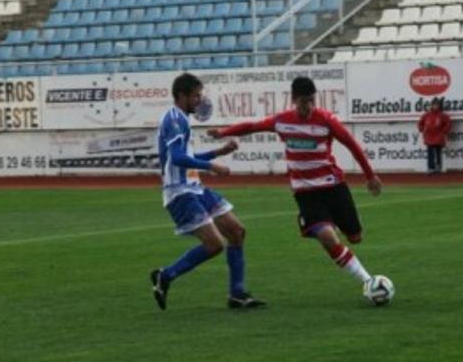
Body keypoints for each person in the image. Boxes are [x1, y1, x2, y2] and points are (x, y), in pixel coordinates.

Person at [208, 76, 383, 292]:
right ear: (293, 99)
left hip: (334, 187)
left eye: (311, 101)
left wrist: (370, 175)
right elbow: (252, 127)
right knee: (327, 237)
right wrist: (223, 132)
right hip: (306, 192)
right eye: (303, 102)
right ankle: (368, 281)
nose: (308, 107)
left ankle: (318, 222)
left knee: (355, 238)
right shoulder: (282, 121)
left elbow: (352, 145)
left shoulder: (327, 120)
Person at [150, 73, 266, 311]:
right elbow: (179, 158)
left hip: (195, 188)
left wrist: (219, 152)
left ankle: (237, 294)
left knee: (236, 231)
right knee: (214, 245)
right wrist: (212, 166)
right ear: (182, 95)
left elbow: (189, 157)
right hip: (179, 192)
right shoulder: (173, 119)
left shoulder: (181, 118)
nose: (198, 100)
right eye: (195, 95)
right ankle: (166, 275)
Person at [417, 98, 452, 175]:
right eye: (434, 105)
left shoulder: (443, 116)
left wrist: (443, 131)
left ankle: (438, 168)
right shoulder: (426, 115)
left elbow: (448, 124)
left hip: (439, 137)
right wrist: (422, 129)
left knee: (438, 153)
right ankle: (431, 168)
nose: (435, 106)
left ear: (439, 106)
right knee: (430, 153)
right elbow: (420, 123)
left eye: (437, 105)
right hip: (429, 137)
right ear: (431, 105)